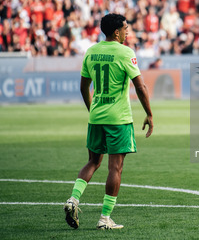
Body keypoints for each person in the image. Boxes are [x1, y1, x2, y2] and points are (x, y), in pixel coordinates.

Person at [64, 13, 153, 230]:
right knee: (116, 167)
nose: (127, 31)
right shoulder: (125, 52)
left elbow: (83, 87)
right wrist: (150, 114)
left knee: (93, 162)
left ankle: (73, 200)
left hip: (96, 117)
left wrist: (92, 109)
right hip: (118, 119)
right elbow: (140, 87)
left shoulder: (91, 51)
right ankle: (104, 219)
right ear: (116, 32)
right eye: (125, 28)